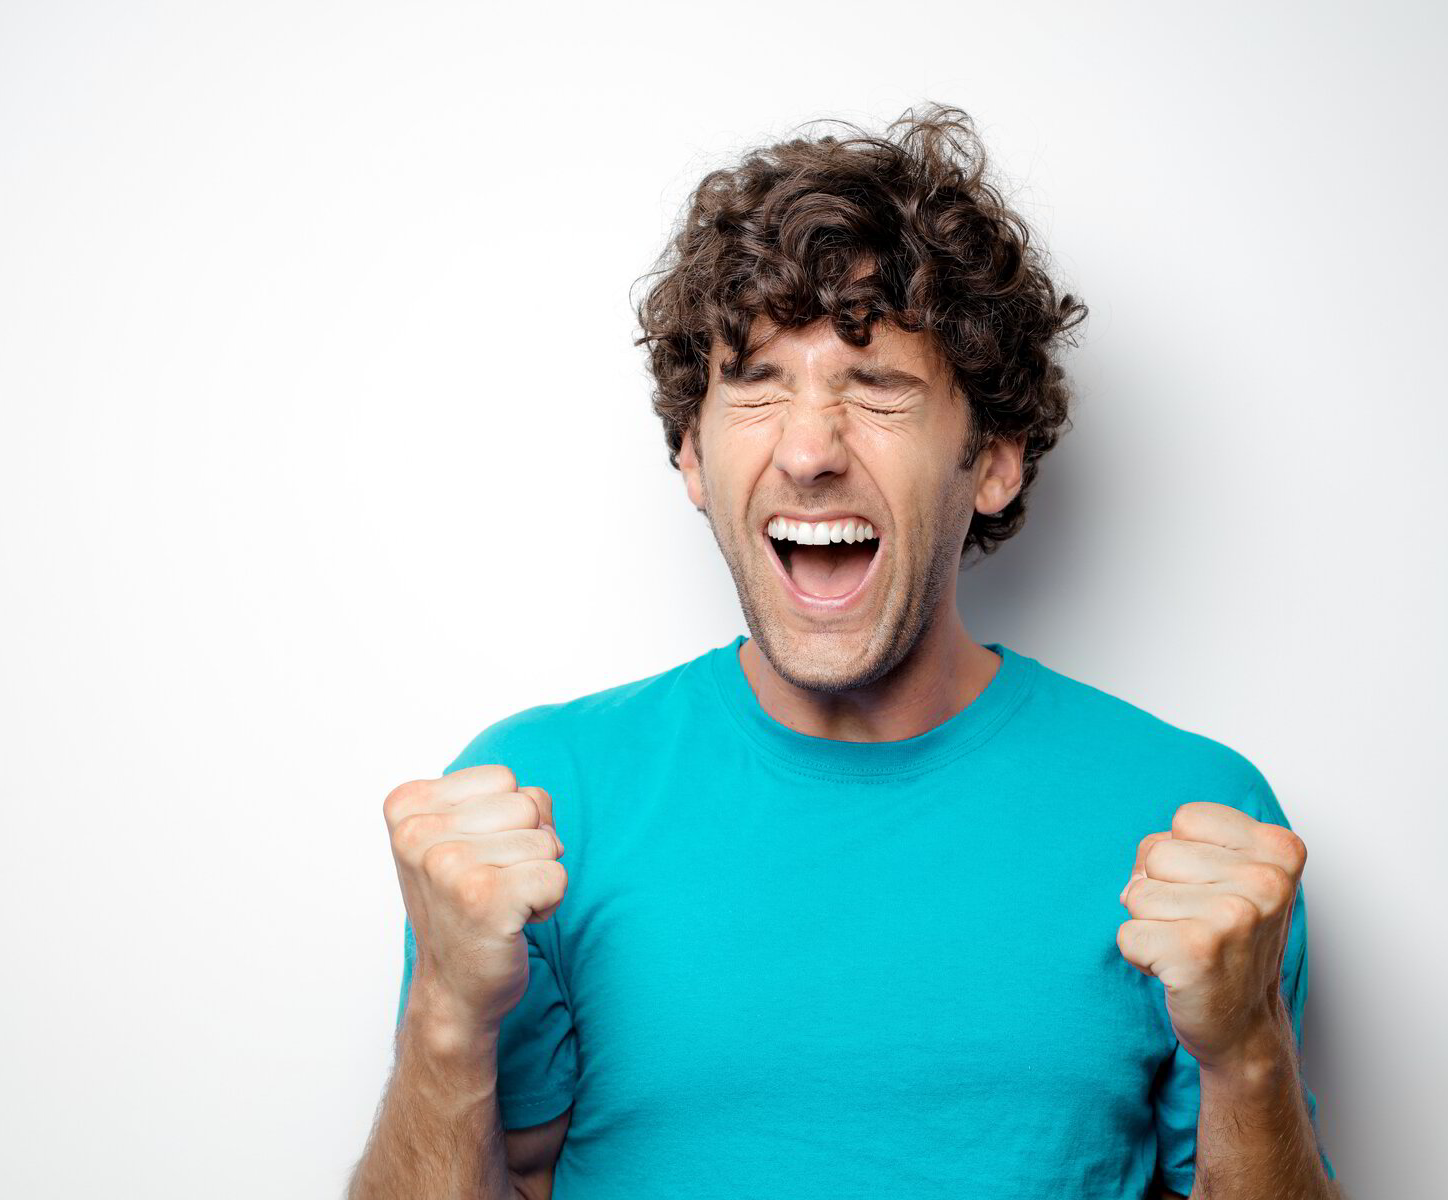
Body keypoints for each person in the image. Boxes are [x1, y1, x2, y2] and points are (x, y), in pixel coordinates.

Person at [348, 102, 1339, 1200]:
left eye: (878, 390)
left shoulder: (1194, 825)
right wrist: (446, 1017)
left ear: (994, 460)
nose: (809, 449)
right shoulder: (536, 806)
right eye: (757, 385)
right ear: (692, 455)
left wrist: (1248, 1054)